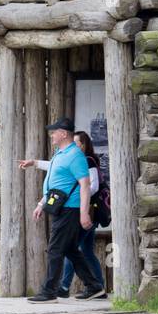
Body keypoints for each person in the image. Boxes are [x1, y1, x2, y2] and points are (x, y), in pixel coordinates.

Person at [23, 117, 103, 302]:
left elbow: (85, 185)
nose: (51, 135)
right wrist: (41, 204)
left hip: (70, 210)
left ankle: (49, 291)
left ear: (63, 134)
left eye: (54, 132)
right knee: (70, 250)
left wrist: (83, 213)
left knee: (55, 249)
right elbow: (56, 183)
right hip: (61, 207)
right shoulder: (60, 154)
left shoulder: (75, 156)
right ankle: (94, 286)